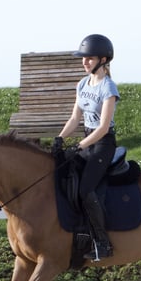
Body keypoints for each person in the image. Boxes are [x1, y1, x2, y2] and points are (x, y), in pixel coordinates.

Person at [56, 34, 120, 261]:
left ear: (103, 60)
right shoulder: (82, 84)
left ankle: (102, 243)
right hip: (86, 140)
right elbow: (75, 118)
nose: (84, 62)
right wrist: (60, 139)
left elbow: (103, 128)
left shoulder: (109, 87)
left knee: (85, 189)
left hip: (102, 144)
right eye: (83, 58)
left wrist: (79, 146)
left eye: (89, 58)